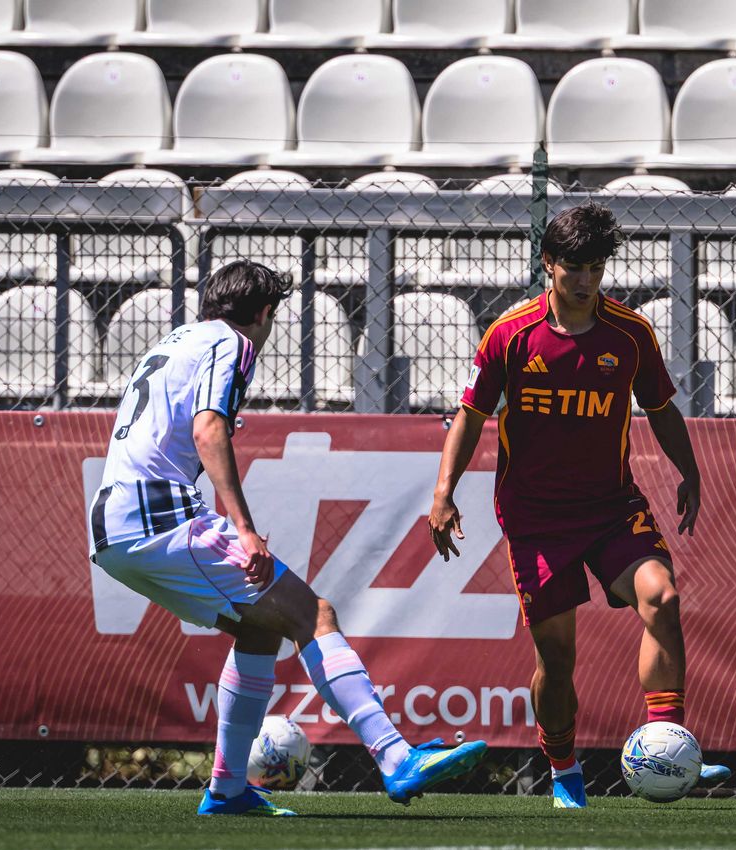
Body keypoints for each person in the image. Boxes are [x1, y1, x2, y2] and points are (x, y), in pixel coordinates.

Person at [89, 260, 487, 817]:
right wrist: (245, 531)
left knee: (260, 631)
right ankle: (395, 757)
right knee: (313, 614)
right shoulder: (232, 342)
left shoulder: (178, 339)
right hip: (159, 518)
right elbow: (209, 429)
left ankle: (227, 791)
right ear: (265, 313)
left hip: (114, 528)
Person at [428, 203, 728, 809]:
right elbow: (472, 415)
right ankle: (564, 768)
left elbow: (662, 408)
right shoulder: (510, 336)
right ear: (548, 265)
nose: (586, 280)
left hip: (612, 506)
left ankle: (665, 744)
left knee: (663, 597)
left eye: (596, 267)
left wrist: (689, 469)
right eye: (574, 268)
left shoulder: (630, 333)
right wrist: (443, 493)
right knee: (557, 660)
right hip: (536, 517)